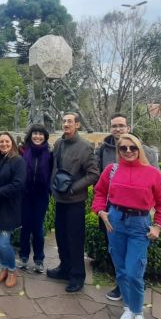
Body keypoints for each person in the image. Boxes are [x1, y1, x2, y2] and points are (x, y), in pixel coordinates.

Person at [92, 133, 161, 319]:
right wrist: (101, 211)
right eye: (123, 148)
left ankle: (138, 313)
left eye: (132, 148)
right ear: (118, 151)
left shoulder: (152, 173)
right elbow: (99, 192)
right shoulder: (112, 170)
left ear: (139, 149)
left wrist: (158, 226)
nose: (128, 151)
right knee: (120, 269)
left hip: (139, 224)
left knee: (134, 272)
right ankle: (128, 307)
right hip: (115, 222)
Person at [96, 113, 160, 302]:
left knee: (135, 261)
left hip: (139, 216)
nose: (128, 151)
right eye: (114, 126)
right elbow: (100, 184)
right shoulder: (103, 151)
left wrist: (157, 222)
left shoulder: (148, 153)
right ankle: (121, 284)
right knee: (115, 251)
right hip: (112, 211)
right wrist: (101, 209)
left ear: (128, 127)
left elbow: (158, 189)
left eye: (121, 126)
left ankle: (133, 292)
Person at [47, 112, 100, 292]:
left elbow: (93, 174)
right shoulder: (58, 143)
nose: (66, 124)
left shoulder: (85, 147)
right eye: (64, 121)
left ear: (77, 125)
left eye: (69, 121)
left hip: (75, 201)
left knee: (75, 240)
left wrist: (73, 188)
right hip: (59, 200)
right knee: (61, 237)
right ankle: (64, 268)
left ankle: (78, 276)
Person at [0, 132, 26, 288]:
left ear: (12, 143)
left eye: (7, 141)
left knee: (3, 242)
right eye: (1, 142)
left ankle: (13, 270)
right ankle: (4, 268)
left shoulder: (18, 161)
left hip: (9, 207)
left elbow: (18, 185)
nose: (4, 144)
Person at [18, 124, 52, 274]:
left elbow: (53, 172)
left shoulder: (50, 153)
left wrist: (50, 190)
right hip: (25, 194)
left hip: (41, 195)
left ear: (45, 136)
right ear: (30, 135)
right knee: (25, 227)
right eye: (35, 133)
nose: (37, 136)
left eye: (40, 134)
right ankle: (24, 256)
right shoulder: (23, 151)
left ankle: (39, 259)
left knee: (38, 227)